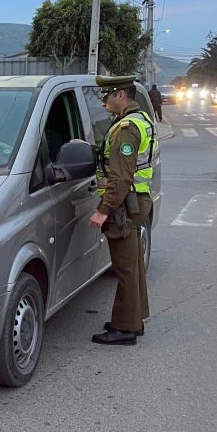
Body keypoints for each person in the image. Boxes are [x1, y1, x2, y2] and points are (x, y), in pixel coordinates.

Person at [88, 75, 157, 346]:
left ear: (121, 96)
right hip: (136, 201)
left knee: (125, 268)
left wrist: (103, 211)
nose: (103, 103)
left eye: (106, 97)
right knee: (134, 265)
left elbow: (121, 177)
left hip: (125, 205)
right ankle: (134, 319)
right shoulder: (140, 120)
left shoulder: (126, 128)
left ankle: (125, 328)